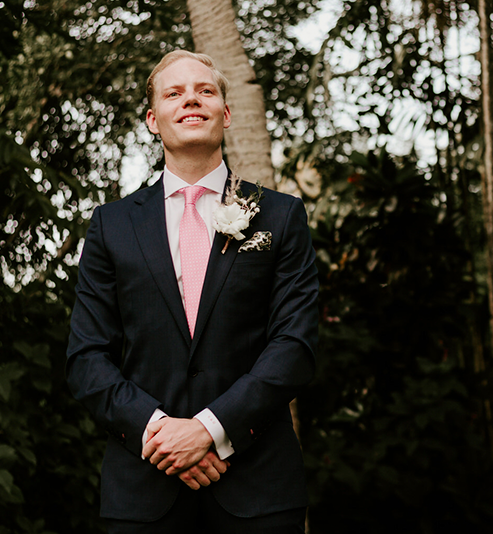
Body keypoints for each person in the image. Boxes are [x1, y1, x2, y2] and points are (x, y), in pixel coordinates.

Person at [66, 50, 318, 533]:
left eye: (205, 90)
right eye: (174, 92)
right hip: (143, 491)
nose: (191, 100)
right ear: (152, 120)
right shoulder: (111, 225)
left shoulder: (281, 216)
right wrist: (161, 434)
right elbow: (87, 356)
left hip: (258, 489)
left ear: (225, 113)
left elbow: (295, 346)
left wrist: (209, 429)